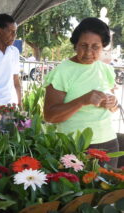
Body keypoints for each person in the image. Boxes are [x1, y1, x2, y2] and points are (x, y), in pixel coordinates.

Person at [44, 17, 121, 168]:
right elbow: (50, 116)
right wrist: (82, 101)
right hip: (75, 147)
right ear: (75, 44)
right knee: (80, 192)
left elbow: (112, 108)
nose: (88, 52)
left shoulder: (105, 70)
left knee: (108, 191)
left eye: (95, 47)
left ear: (103, 46)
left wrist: (113, 103)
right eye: (83, 45)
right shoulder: (62, 72)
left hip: (108, 143)